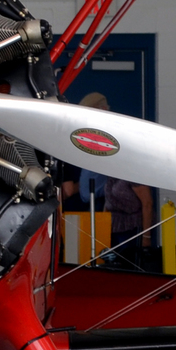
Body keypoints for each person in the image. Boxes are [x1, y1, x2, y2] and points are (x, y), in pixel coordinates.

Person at [60, 92, 152, 263]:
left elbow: (147, 202)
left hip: (125, 225)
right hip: (104, 219)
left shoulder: (111, 144)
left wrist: (146, 238)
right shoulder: (90, 143)